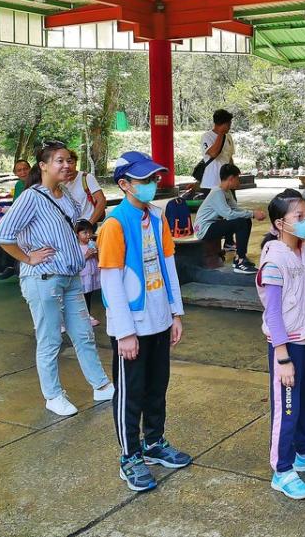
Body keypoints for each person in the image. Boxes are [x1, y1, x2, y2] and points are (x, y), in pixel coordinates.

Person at [0, 141, 114, 417]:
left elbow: (70, 227)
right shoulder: (31, 197)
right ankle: (53, 395)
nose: (67, 165)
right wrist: (28, 257)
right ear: (43, 166)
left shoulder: (65, 195)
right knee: (49, 340)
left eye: (69, 160)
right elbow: (2, 235)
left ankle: (101, 385)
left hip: (70, 277)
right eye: (59, 161)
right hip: (43, 278)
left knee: (83, 335)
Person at [97, 150, 191, 493]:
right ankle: (130, 457)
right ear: (125, 185)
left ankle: (154, 443)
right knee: (130, 394)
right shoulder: (114, 224)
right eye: (144, 180)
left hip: (159, 320)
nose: (152, 184)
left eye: (154, 178)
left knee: (157, 387)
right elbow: (110, 283)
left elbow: (168, 265)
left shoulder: (158, 216)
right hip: (132, 327)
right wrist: (124, 333)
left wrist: (175, 313)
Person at [256, 189, 305, 500]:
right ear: (280, 223)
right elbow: (272, 312)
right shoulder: (275, 258)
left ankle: (304, 452)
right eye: (298, 217)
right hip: (287, 346)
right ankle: (283, 469)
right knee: (286, 409)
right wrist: (282, 357)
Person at [194, 162, 265, 274]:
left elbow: (236, 210)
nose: (239, 181)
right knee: (241, 222)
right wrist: (252, 213)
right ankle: (240, 262)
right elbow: (229, 215)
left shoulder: (227, 192)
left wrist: (252, 213)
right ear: (231, 178)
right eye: (237, 178)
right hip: (204, 228)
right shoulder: (217, 192)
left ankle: (238, 257)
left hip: (214, 225)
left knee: (245, 220)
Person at [0, 159, 33, 280]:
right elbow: (16, 205)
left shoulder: (38, 183)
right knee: (4, 233)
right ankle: (10, 267)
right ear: (16, 173)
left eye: (25, 169)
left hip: (34, 221)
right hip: (21, 220)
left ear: (30, 169)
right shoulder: (19, 185)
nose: (23, 172)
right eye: (19, 170)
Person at [66, 151, 107, 224]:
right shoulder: (57, 182)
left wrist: (89, 224)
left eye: (70, 162)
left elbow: (101, 200)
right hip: (68, 225)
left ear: (75, 163)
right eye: (61, 162)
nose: (67, 166)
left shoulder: (86, 178)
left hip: (86, 222)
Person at [199, 109, 235, 193]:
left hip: (226, 183)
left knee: (230, 205)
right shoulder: (206, 136)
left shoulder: (229, 137)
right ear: (223, 123)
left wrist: (233, 175)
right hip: (211, 183)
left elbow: (230, 158)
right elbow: (213, 153)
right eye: (229, 123)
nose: (230, 126)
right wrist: (221, 133)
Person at [75, 219, 101, 327]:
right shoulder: (76, 247)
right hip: (83, 276)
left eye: (89, 232)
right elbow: (77, 261)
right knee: (82, 296)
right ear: (77, 234)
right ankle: (83, 316)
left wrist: (95, 254)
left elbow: (99, 258)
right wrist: (86, 255)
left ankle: (87, 315)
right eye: (84, 233)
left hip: (91, 274)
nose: (88, 235)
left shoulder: (93, 244)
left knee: (89, 295)